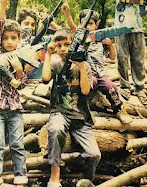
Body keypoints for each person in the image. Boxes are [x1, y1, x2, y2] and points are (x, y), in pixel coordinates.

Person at [42, 29, 101, 186]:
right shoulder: (55, 63)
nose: (63, 49)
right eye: (59, 45)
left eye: (67, 44)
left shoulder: (84, 66)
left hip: (80, 116)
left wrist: (81, 66)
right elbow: (45, 78)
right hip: (59, 112)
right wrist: (47, 55)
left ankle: (85, 180)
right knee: (55, 130)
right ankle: (55, 175)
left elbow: (85, 91)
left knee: (94, 154)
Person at [61, 3, 133, 123]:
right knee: (91, 83)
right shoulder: (80, 38)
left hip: (100, 74)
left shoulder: (101, 40)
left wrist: (110, 46)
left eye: (90, 24)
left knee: (111, 87)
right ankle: (80, 108)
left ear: (96, 25)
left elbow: (112, 57)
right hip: (86, 74)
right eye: (84, 23)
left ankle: (118, 110)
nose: (87, 27)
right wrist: (67, 14)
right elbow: (73, 27)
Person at [0, 0, 28, 187]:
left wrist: (19, 71)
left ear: (19, 39)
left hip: (15, 109)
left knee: (18, 144)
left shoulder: (20, 56)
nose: (9, 41)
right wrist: (3, 5)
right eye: (6, 38)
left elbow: (23, 84)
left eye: (13, 38)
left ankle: (21, 176)